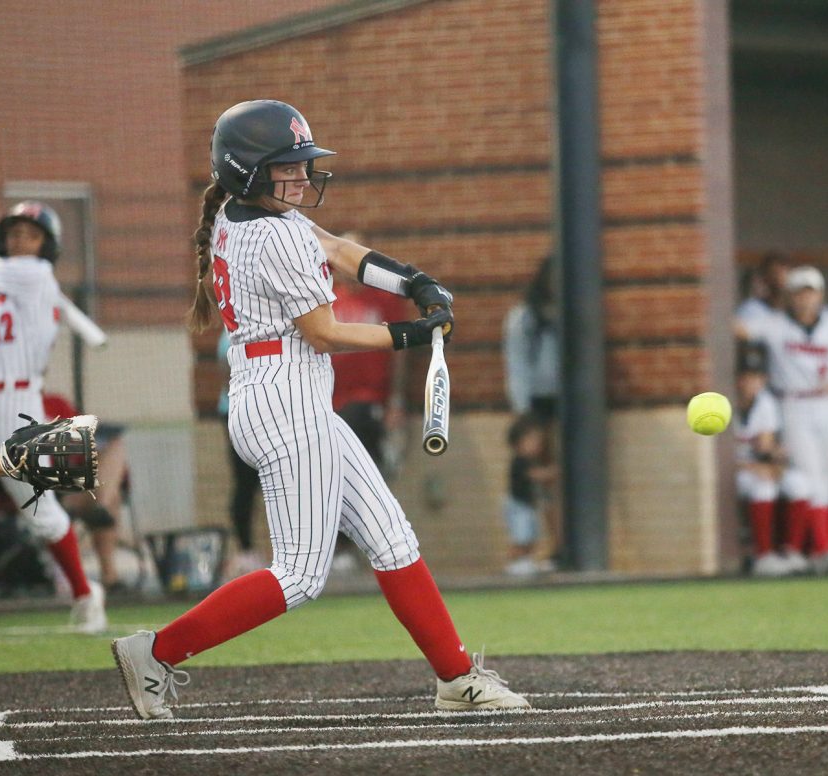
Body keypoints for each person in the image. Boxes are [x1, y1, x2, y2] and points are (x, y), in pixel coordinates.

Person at [110, 100, 527, 720]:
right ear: (249, 170)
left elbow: (334, 247)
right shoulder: (270, 233)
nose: (303, 176)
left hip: (278, 392)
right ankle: (156, 652)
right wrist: (413, 334)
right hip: (286, 401)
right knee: (301, 575)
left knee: (390, 538)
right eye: (289, 166)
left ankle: (455, 676)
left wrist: (413, 282)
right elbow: (325, 331)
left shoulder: (245, 213)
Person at [0, 203, 106, 632]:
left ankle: (84, 592)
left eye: (31, 234)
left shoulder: (36, 277)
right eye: (14, 233)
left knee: (39, 512)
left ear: (48, 246)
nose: (21, 240)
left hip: (15, 410)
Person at [735, 266, 828, 572]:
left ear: (820, 295)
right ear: (789, 296)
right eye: (799, 292)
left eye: (810, 292)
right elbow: (740, 329)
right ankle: (823, 549)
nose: (805, 299)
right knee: (810, 476)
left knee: (825, 479)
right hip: (794, 403)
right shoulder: (775, 324)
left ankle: (817, 549)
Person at [329, 231, 410, 476]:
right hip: (330, 403)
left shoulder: (385, 299)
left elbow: (400, 353)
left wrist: (396, 401)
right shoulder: (326, 299)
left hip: (370, 399)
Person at [502, 256, 561, 562]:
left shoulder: (568, 314)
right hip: (536, 404)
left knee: (559, 482)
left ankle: (560, 545)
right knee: (534, 481)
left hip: (567, 403)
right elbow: (517, 364)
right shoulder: (526, 317)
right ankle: (529, 548)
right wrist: (523, 411)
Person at [43, 392, 130, 593]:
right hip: (43, 484)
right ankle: (97, 505)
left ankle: (97, 503)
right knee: (109, 500)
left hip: (76, 479)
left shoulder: (56, 403)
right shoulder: (8, 405)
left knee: (114, 444)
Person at [733, 346, 795, 577]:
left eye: (756, 377)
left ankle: (790, 552)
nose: (751, 383)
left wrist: (775, 464)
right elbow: (718, 457)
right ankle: (763, 556)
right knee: (762, 488)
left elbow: (766, 446)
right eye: (746, 377)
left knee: (793, 484)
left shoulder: (765, 403)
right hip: (729, 471)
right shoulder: (722, 404)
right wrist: (755, 467)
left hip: (750, 467)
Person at [216, 329, 264, 577]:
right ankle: (246, 550)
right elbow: (229, 379)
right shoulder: (232, 336)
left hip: (261, 410)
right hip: (240, 412)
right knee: (245, 482)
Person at [502, 413, 557, 577]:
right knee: (521, 535)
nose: (537, 446)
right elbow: (536, 475)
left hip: (528, 505)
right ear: (519, 442)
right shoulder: (520, 461)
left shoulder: (531, 460)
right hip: (518, 505)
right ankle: (514, 562)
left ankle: (526, 561)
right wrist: (553, 472)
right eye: (532, 441)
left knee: (532, 534)